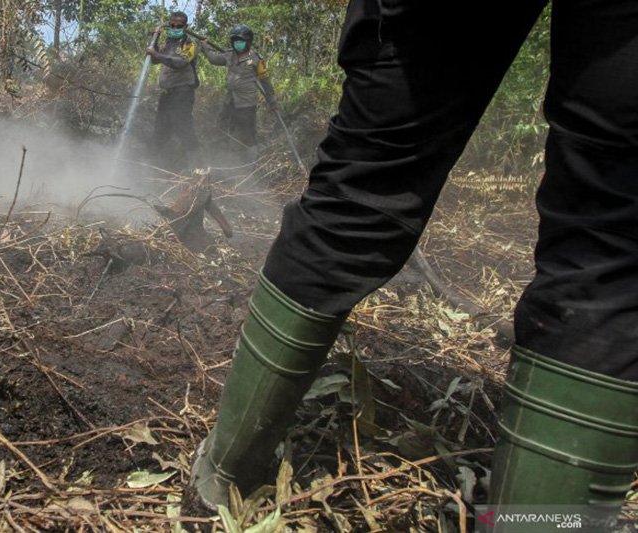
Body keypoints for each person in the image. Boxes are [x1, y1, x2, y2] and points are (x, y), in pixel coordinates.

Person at [190, 0, 638, 526]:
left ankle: (223, 476)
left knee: (364, 182)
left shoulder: (257, 60)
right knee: (615, 228)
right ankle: (540, 520)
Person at [200, 25, 278, 166]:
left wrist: (272, 100)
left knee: (247, 133)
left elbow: (265, 81)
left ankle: (252, 163)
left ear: (248, 41)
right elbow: (214, 59)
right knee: (223, 126)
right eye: (235, 40)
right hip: (230, 101)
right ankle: (222, 157)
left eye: (241, 40)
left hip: (246, 103)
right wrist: (205, 48)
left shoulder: (257, 59)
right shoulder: (229, 54)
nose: (238, 43)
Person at [146, 12, 200, 171]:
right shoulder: (169, 43)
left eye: (179, 26)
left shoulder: (190, 44)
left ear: (186, 27)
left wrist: (157, 54)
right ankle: (155, 164)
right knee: (161, 128)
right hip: (167, 93)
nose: (175, 28)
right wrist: (154, 42)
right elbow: (155, 59)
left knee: (184, 126)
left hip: (183, 92)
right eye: (173, 25)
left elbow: (181, 62)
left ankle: (195, 165)